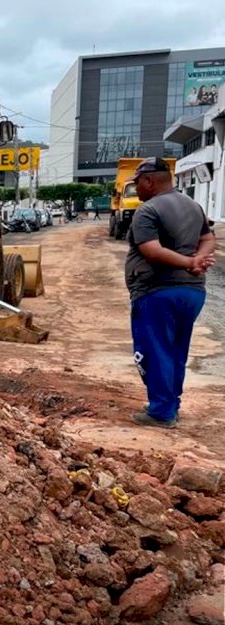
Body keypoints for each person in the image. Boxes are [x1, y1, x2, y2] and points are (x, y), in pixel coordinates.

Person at [125, 156, 216, 428]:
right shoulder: (193, 205)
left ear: (149, 181)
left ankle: (162, 411)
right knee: (176, 350)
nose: (137, 188)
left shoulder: (148, 211)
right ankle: (170, 402)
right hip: (192, 293)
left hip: (157, 292)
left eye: (138, 183)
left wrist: (191, 262)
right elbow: (209, 238)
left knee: (155, 350)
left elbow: (151, 250)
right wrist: (198, 259)